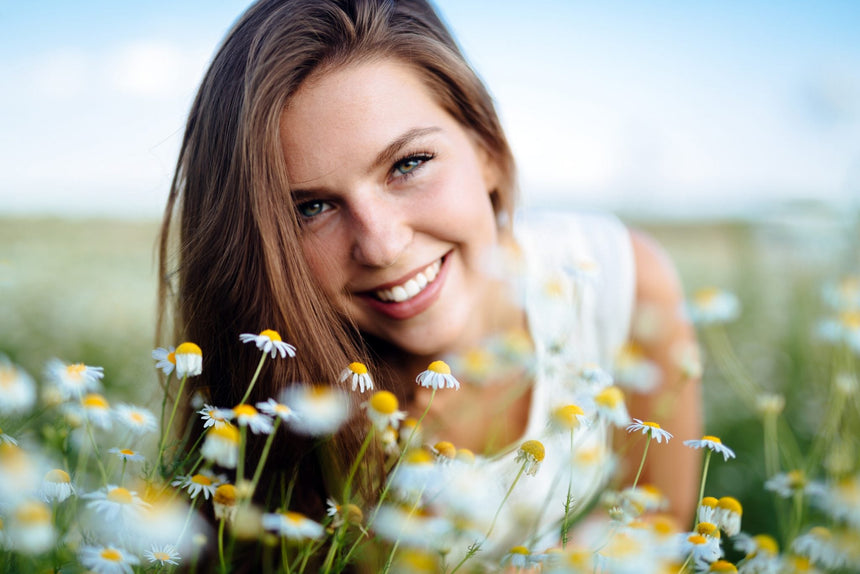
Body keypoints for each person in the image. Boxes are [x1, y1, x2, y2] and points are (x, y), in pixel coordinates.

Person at [157, 0, 701, 565]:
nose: (382, 245)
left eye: (408, 164)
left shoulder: (621, 281)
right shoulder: (286, 392)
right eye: (312, 207)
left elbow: (658, 516)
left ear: (487, 149)